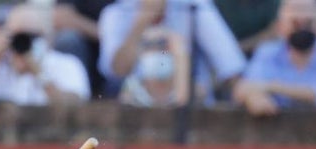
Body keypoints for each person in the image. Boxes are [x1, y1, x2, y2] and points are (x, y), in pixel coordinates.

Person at [232, 0, 316, 116]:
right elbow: (244, 88)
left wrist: (270, 87)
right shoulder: (268, 53)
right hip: (277, 136)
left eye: (308, 22)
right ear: (280, 24)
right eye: (295, 23)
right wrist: (254, 97)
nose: (301, 28)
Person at [98, 0, 245, 99]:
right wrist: (142, 21)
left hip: (190, 107)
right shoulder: (115, 13)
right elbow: (115, 72)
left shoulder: (194, 5)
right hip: (135, 105)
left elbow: (230, 66)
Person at [0, 3, 91, 106]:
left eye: (30, 37)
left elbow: (76, 107)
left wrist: (39, 73)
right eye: (16, 37)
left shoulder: (67, 65)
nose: (22, 43)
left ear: (46, 38)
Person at [117, 24, 190, 106]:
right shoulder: (132, 88)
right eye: (147, 44)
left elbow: (183, 102)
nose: (155, 49)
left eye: (161, 44)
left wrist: (180, 55)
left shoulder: (193, 89)